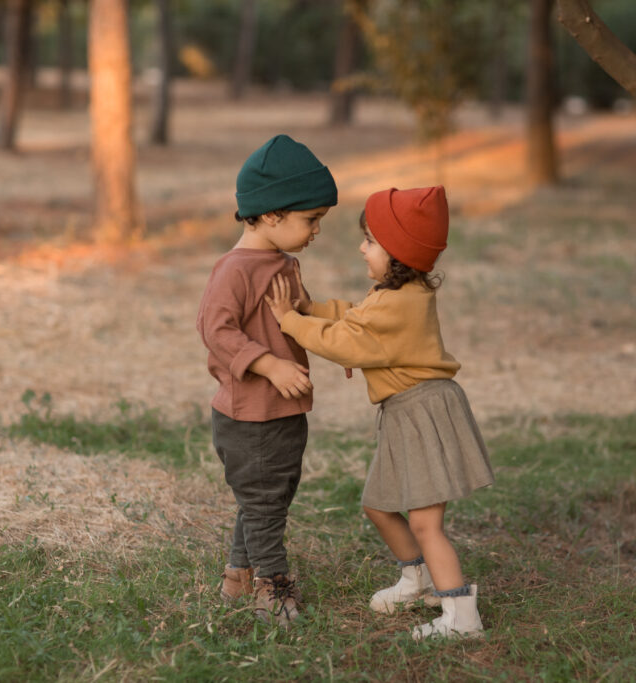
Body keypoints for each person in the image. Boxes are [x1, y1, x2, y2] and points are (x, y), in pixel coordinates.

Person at [264, 185, 494, 639]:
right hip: (406, 414)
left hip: (422, 413)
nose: (361, 248)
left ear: (400, 252)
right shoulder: (396, 295)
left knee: (427, 524)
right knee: (379, 505)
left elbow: (347, 340)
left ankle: (462, 619)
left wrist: (290, 321)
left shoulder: (401, 304)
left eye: (370, 241)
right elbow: (356, 317)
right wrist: (310, 307)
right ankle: (419, 579)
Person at [196, 134, 337, 627]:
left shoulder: (285, 265)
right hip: (249, 415)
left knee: (267, 497)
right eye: (311, 219)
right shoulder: (234, 270)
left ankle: (238, 575)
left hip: (283, 412)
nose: (317, 230)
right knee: (263, 505)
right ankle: (272, 589)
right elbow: (215, 330)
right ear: (273, 214)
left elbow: (299, 319)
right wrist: (269, 364)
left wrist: (333, 343)